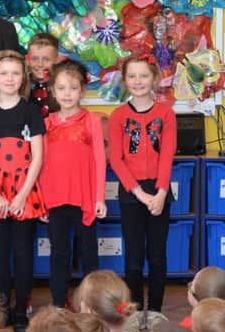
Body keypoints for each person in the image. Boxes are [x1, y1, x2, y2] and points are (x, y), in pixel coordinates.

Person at [0, 50, 45, 329]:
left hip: (23, 192)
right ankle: (1, 309)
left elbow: (37, 156)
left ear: (23, 78)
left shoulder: (30, 110)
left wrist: (21, 196)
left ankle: (20, 312)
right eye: (4, 73)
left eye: (15, 73)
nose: (9, 78)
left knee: (23, 254)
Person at [108, 54, 177, 318]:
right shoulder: (118, 116)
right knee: (134, 257)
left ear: (154, 79)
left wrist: (159, 193)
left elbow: (167, 154)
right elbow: (116, 158)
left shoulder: (165, 114)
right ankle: (136, 312)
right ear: (125, 81)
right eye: (132, 76)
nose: (138, 81)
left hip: (160, 192)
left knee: (157, 255)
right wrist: (138, 193)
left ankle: (156, 311)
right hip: (131, 192)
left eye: (144, 76)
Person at [39, 59, 107, 307]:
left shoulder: (91, 121)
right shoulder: (46, 123)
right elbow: (40, 165)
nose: (67, 94)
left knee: (89, 254)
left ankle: (93, 304)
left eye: (73, 88)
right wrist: (41, 202)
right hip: (55, 199)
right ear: (53, 91)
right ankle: (59, 304)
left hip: (84, 198)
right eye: (61, 88)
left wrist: (99, 197)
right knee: (59, 254)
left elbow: (100, 159)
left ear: (82, 90)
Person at [26, 32, 60, 118]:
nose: (40, 64)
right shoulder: (20, 84)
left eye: (46, 59)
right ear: (28, 60)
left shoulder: (63, 86)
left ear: (56, 59)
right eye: (34, 59)